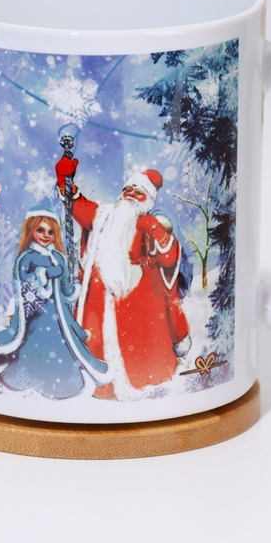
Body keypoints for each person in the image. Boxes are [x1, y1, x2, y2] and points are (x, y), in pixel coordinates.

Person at [56, 157, 191, 400]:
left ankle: (145, 387)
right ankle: (101, 388)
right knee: (96, 346)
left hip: (138, 307)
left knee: (140, 361)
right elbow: (78, 207)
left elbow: (170, 258)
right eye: (127, 190)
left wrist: (153, 227)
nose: (130, 195)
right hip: (98, 301)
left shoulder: (149, 224)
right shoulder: (104, 216)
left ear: (147, 200)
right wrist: (65, 180)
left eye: (138, 192)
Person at [0, 206, 110, 400]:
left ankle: (60, 384)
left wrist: (74, 289)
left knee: (60, 346)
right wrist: (45, 274)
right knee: (35, 345)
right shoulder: (28, 257)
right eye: (40, 230)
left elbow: (64, 285)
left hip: (58, 314)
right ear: (31, 230)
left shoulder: (58, 257)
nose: (46, 235)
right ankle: (26, 378)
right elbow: (26, 282)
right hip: (37, 314)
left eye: (51, 232)